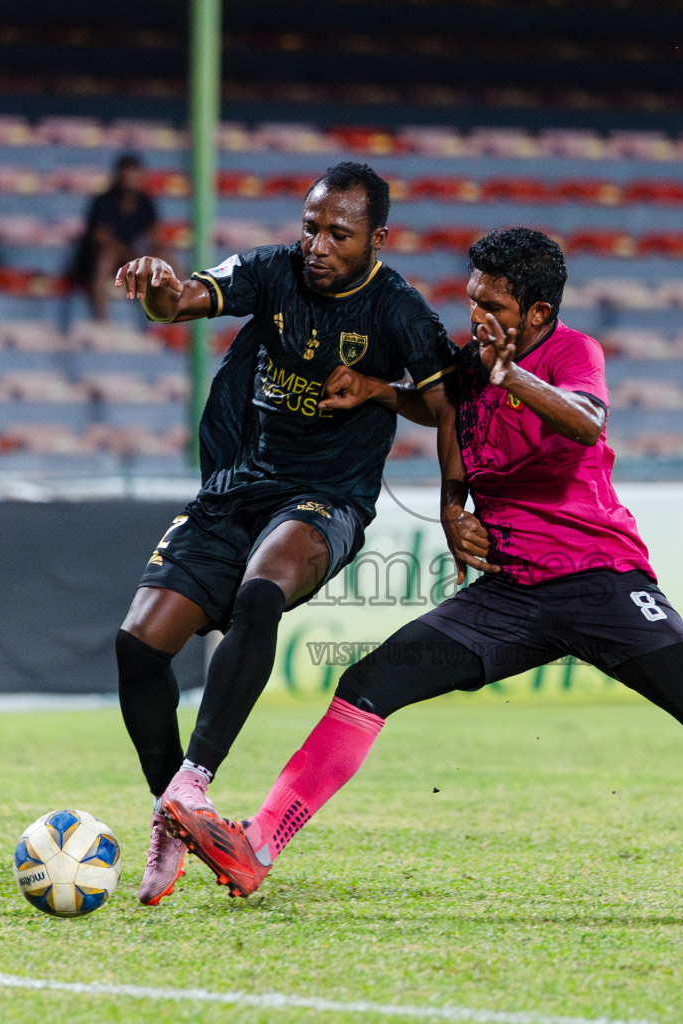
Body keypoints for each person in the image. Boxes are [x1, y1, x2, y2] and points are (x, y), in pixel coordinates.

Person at [160, 228, 683, 922]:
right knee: (368, 683)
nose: (476, 315)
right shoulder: (472, 363)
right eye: (472, 299)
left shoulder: (570, 353)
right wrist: (406, 432)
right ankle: (258, 844)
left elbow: (587, 420)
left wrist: (511, 378)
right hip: (510, 594)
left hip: (602, 582)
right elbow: (443, 410)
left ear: (537, 313)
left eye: (492, 305)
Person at [112, 161, 480, 907]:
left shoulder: (399, 311)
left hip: (326, 499)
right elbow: (178, 302)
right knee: (137, 646)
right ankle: (172, 812)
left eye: (339, 233)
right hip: (236, 488)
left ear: (377, 239)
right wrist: (155, 286)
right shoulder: (272, 271)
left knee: (260, 592)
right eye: (310, 227)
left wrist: (389, 407)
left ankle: (195, 780)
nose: (318, 245)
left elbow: (447, 408)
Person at [71, 154, 159, 321]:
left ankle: (179, 317)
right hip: (99, 261)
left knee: (165, 257)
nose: (130, 181)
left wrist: (146, 252)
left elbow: (153, 234)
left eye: (134, 176)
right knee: (106, 257)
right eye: (126, 176)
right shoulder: (104, 201)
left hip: (132, 258)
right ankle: (101, 318)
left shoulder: (145, 202)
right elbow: (100, 237)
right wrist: (129, 254)